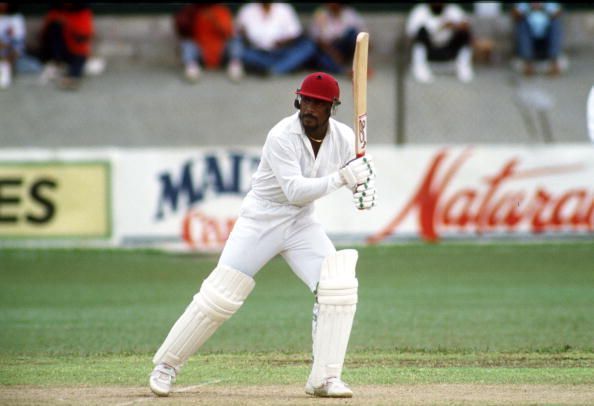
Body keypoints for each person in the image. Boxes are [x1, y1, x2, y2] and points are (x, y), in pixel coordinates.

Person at [149, 72, 377, 398]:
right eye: (306, 100)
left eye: (319, 103)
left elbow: (357, 174)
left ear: (332, 108)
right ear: (298, 99)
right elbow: (295, 190)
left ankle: (325, 378)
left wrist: (363, 188)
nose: (309, 108)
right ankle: (166, 366)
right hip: (261, 220)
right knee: (219, 295)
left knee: (337, 284)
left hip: (301, 223)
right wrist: (342, 178)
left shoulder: (343, 137)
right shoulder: (282, 135)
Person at [234, 2, 318, 76]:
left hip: (281, 52)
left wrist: (284, 41)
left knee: (308, 46)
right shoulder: (247, 9)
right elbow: (238, 33)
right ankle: (280, 69)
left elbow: (295, 34)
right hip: (257, 52)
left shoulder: (285, 8)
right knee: (239, 48)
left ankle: (274, 70)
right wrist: (245, 37)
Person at [173, 3, 243, 83]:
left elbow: (228, 32)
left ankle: (234, 65)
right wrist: (186, 17)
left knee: (235, 39)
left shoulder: (221, 10)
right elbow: (183, 31)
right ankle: (191, 68)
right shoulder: (193, 11)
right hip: (202, 53)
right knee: (187, 43)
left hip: (221, 52)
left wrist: (213, 19)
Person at [406, 2, 474, 83]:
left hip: (448, 49)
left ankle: (463, 67)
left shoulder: (453, 10)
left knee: (464, 34)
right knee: (421, 32)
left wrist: (454, 25)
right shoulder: (420, 11)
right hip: (429, 50)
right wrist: (439, 28)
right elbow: (411, 33)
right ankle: (420, 68)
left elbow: (466, 25)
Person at [37, 2, 94, 90]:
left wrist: (67, 23)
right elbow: (43, 34)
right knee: (55, 28)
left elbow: (84, 36)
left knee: (79, 58)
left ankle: (72, 78)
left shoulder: (82, 12)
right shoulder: (56, 11)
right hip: (58, 50)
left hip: (76, 50)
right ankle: (56, 64)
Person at [308, 3, 366, 75]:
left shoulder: (350, 14)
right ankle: (344, 71)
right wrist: (333, 53)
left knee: (353, 33)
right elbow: (317, 40)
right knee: (320, 58)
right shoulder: (321, 14)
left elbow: (362, 36)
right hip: (328, 49)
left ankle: (360, 66)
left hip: (345, 48)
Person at [512, 3, 563, 76]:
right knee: (522, 25)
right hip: (530, 40)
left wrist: (543, 9)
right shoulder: (524, 4)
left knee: (556, 24)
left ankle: (554, 64)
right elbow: (515, 14)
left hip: (546, 39)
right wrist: (527, 10)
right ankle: (528, 64)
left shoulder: (548, 4)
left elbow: (558, 12)